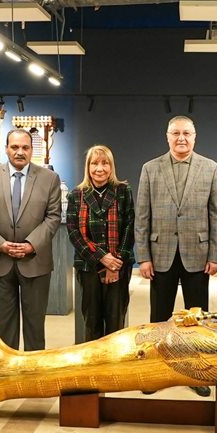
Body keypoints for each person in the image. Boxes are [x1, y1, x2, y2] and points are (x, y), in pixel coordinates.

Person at [135, 115, 217, 395]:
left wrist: (216, 255)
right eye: (176, 133)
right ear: (167, 136)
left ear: (195, 137)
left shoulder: (211, 168)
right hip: (160, 253)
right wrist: (143, 256)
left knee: (197, 318)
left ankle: (197, 374)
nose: (181, 138)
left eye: (187, 133)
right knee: (159, 317)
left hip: (197, 254)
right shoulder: (150, 169)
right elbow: (142, 216)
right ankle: (156, 371)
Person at [0, 130, 63, 351]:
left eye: (25, 147)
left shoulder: (49, 178)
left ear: (32, 150)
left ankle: (33, 369)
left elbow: (53, 217)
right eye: (15, 147)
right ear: (6, 149)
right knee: (2, 327)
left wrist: (31, 245)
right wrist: (0, 244)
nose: (20, 152)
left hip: (35, 262)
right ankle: (8, 369)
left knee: (35, 327)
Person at [66, 145, 135, 340]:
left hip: (119, 266)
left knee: (116, 322)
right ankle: (94, 359)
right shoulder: (76, 194)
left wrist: (115, 263)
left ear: (111, 167)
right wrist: (102, 258)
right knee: (92, 321)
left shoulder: (123, 191)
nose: (100, 169)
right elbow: (74, 232)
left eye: (105, 163)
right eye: (94, 163)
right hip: (88, 266)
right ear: (88, 167)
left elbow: (129, 227)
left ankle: (114, 359)